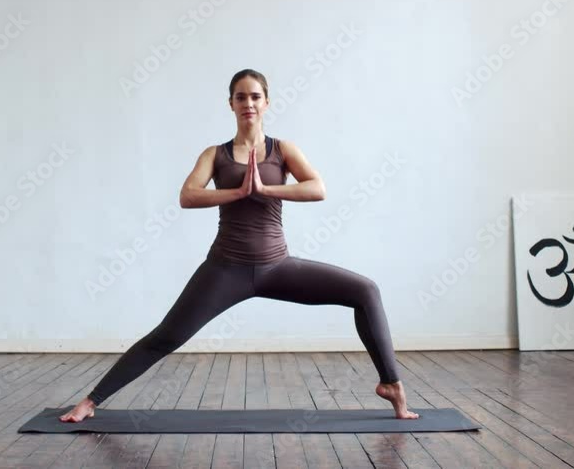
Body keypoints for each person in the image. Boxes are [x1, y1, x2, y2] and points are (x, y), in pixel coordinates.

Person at [60, 69, 418, 422]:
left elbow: (317, 188)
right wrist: (237, 192)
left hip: (277, 267)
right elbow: (187, 196)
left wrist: (265, 190)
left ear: (267, 103)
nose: (248, 103)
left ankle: (391, 385)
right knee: (167, 336)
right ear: (230, 104)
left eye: (255, 96)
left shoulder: (282, 150)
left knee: (365, 291)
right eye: (241, 97)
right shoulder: (215, 154)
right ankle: (91, 401)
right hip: (225, 269)